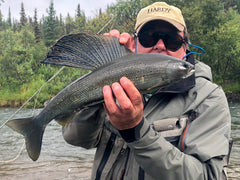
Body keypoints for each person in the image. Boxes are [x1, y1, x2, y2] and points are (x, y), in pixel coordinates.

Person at [62, 2, 231, 180]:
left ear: (184, 47)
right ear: (134, 43)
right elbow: (76, 138)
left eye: (171, 39)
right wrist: (102, 77)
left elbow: (209, 176)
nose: (159, 45)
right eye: (149, 37)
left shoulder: (208, 97)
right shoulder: (117, 83)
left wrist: (136, 131)